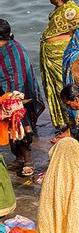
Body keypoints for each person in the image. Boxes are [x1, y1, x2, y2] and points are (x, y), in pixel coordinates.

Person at [40, 0, 79, 136]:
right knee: (55, 89)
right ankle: (63, 123)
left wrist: (69, 40)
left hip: (60, 56)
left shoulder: (71, 10)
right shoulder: (59, 9)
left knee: (65, 88)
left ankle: (72, 125)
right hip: (51, 56)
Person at [0, 19, 45, 176]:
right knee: (8, 127)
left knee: (19, 126)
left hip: (19, 97)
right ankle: (18, 158)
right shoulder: (5, 48)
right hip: (5, 94)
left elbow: (18, 77)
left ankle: (27, 160)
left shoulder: (14, 51)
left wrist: (15, 100)